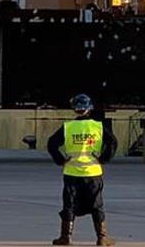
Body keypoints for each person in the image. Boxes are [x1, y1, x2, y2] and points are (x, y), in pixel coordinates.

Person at [47, 94, 114, 246]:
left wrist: (61, 160)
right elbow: (112, 143)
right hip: (93, 173)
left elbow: (51, 144)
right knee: (97, 205)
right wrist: (103, 159)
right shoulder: (98, 127)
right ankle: (102, 238)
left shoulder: (68, 127)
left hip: (72, 173)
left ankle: (66, 237)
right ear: (89, 109)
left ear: (75, 109)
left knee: (69, 205)